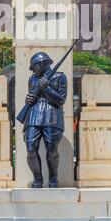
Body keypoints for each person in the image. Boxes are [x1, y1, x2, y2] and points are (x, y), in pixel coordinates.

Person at [23, 51, 67, 188]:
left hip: (52, 114)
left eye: (34, 66)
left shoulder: (60, 77)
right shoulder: (32, 79)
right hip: (33, 115)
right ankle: (38, 179)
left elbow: (61, 99)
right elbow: (31, 96)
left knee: (52, 149)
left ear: (42, 64)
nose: (33, 70)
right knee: (30, 148)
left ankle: (53, 178)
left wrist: (46, 88)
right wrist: (28, 98)